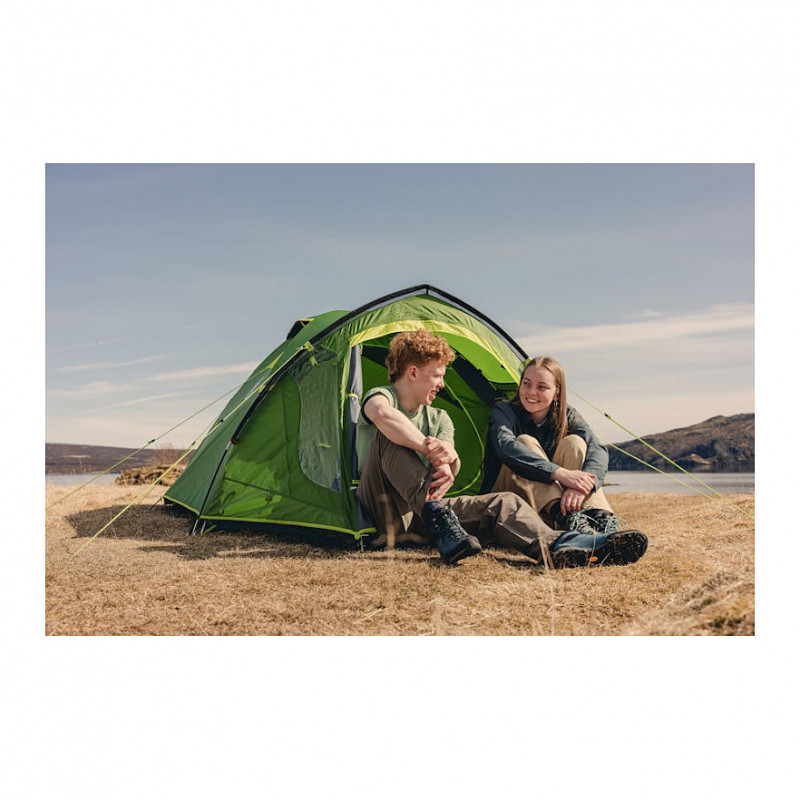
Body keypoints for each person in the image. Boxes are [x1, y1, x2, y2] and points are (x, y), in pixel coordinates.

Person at [356, 330, 574, 567]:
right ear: (413, 373)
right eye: (437, 375)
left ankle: (562, 545)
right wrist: (428, 448)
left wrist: (448, 461)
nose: (442, 384)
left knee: (503, 503)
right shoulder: (381, 397)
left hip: (427, 518)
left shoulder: (440, 418)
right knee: (390, 434)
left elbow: (448, 459)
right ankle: (437, 515)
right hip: (381, 508)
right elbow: (381, 413)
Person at [481, 355, 648, 567]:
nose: (531, 392)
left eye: (542, 387)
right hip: (510, 499)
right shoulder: (504, 411)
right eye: (526, 383)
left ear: (557, 392)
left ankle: (599, 522)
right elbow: (505, 447)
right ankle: (571, 521)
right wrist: (560, 473)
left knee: (575, 443)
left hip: (551, 509)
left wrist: (580, 488)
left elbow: (598, 449)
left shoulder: (567, 414)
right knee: (524, 442)